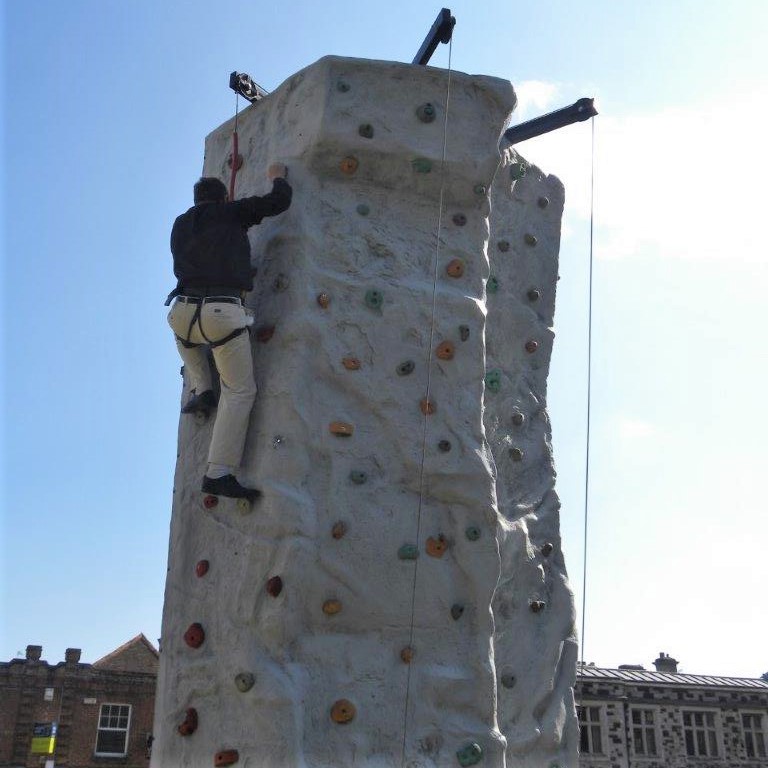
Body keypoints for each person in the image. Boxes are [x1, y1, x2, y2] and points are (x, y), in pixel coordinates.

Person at [166, 164, 292, 501]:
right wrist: (279, 176)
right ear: (223, 197)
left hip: (182, 311)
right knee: (239, 391)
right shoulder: (232, 211)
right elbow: (278, 202)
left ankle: (203, 388)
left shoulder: (180, 224)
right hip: (221, 312)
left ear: (196, 200)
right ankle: (218, 472)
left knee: (185, 340)